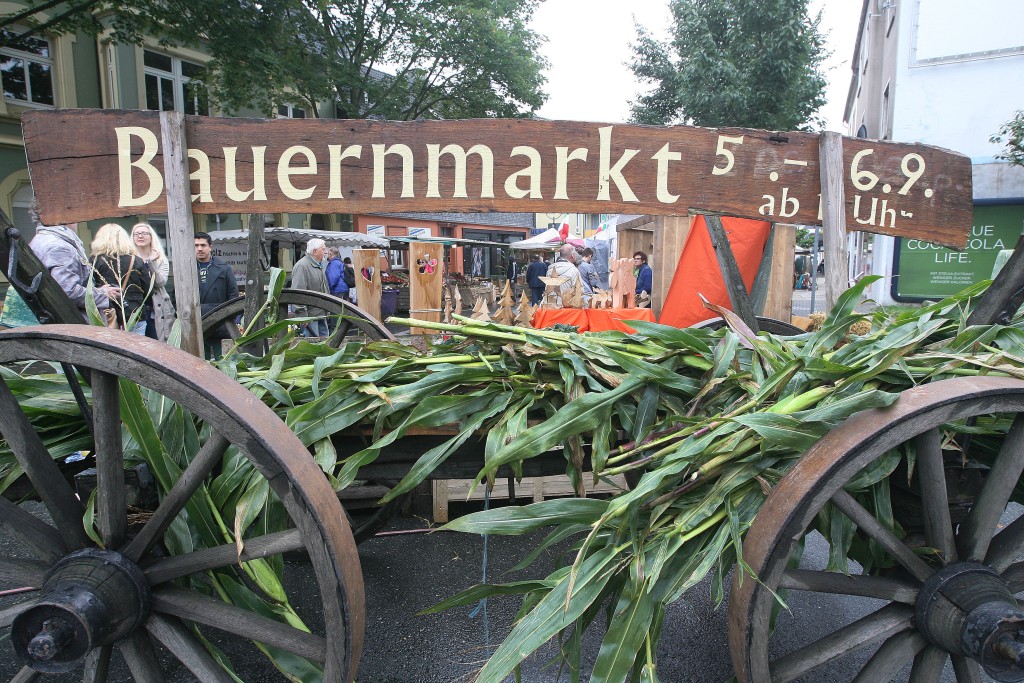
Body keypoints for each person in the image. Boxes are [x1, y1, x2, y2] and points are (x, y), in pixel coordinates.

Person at [29, 217, 119, 321]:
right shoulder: (60, 247)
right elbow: (67, 291)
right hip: (73, 322)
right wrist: (103, 293)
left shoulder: (39, 240)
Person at [91, 223, 152, 333]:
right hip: (134, 314)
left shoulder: (95, 261)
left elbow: (89, 289)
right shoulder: (136, 260)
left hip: (106, 315)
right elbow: (147, 290)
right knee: (136, 344)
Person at [195, 231, 239, 359]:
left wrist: (228, 317)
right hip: (196, 322)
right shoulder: (187, 268)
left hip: (220, 323)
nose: (199, 249)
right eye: (196, 245)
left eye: (203, 245)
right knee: (200, 361)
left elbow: (233, 296)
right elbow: (177, 296)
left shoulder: (224, 268)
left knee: (221, 360)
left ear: (210, 247)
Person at [131, 222, 175, 342]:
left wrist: (151, 263)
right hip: (135, 307)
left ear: (151, 237)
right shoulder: (129, 259)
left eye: (144, 233)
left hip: (155, 308)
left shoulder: (161, 259)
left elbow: (160, 282)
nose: (140, 236)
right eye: (136, 234)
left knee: (156, 343)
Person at [290, 238, 330, 337]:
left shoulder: (318, 265)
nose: (326, 252)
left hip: (321, 313)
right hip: (310, 316)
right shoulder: (302, 266)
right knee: (311, 344)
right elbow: (298, 293)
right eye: (323, 249)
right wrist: (303, 316)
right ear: (315, 251)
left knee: (325, 343)